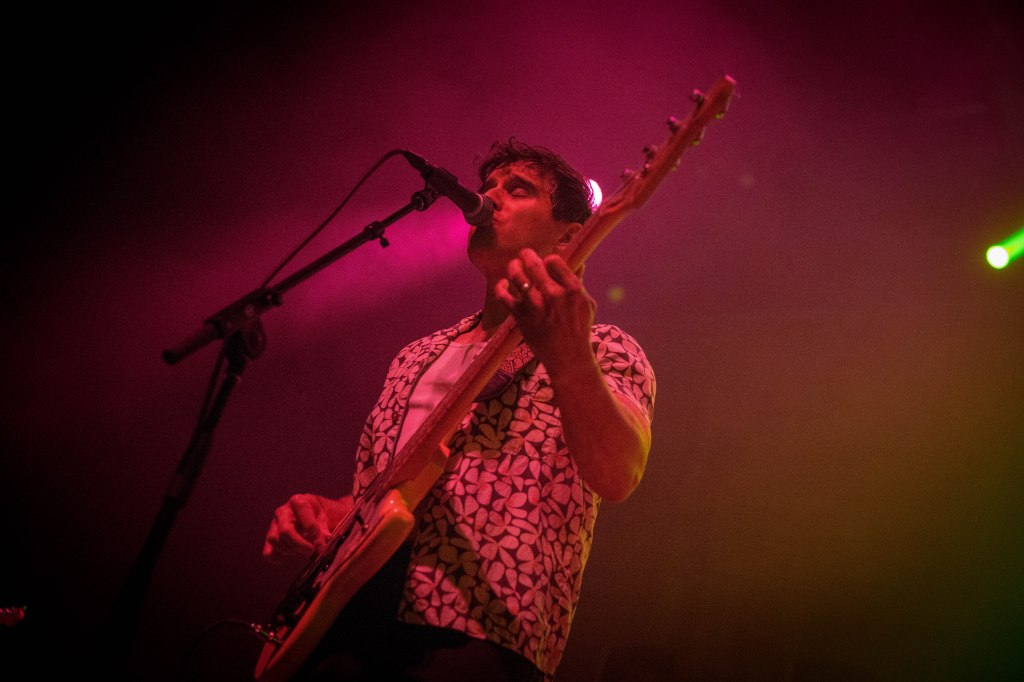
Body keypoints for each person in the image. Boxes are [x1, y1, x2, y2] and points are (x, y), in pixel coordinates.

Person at [262, 139, 656, 681]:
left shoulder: (604, 347)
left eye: (518, 189)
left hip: (479, 631)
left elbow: (618, 473)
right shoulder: (415, 355)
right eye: (488, 186)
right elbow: (388, 493)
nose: (490, 197)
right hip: (349, 627)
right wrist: (329, 513)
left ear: (570, 234)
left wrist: (567, 355)